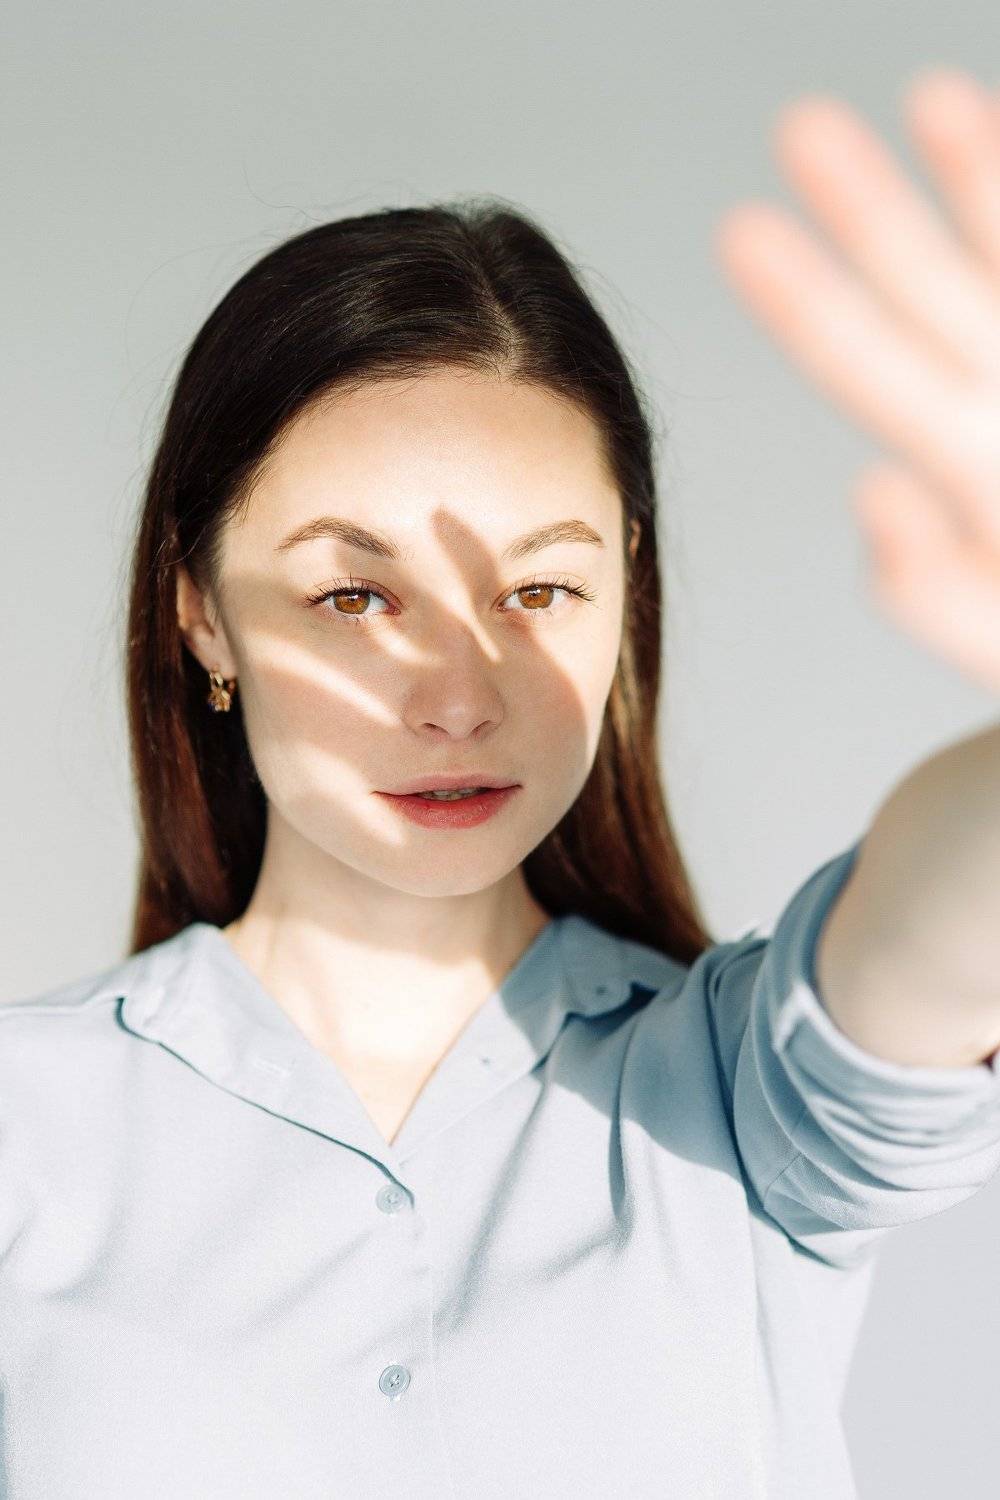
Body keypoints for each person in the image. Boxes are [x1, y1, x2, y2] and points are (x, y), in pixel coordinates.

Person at [5, 68, 1000, 1499]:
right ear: (203, 612)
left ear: (624, 603)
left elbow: (942, 924)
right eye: (354, 596)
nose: (462, 696)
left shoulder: (740, 1106)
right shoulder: (26, 1128)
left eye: (539, 586)